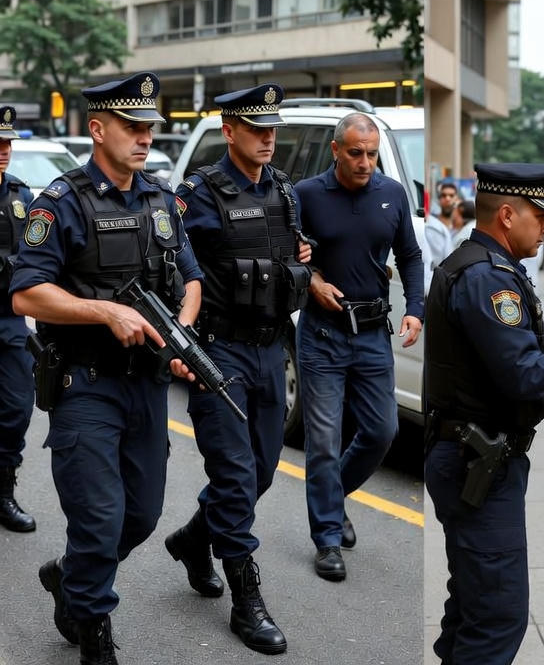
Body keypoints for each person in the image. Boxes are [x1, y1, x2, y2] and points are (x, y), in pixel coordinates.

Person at [14, 72, 203, 664]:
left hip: (146, 386)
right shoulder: (61, 203)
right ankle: (94, 631)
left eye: (150, 128)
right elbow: (26, 293)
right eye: (132, 126)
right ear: (97, 130)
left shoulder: (162, 200)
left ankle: (71, 576)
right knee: (99, 519)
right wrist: (104, 311)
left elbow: (191, 278)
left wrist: (180, 335)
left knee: (141, 516)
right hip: (85, 385)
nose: (145, 137)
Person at [423, 160, 544, 665]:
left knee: (473, 604)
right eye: (541, 215)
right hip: (477, 462)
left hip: (477, 457)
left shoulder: (484, 267)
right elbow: (523, 374)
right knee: (497, 616)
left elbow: (510, 349)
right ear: (508, 216)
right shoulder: (488, 279)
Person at [165, 83, 312, 655]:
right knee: (233, 474)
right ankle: (246, 599)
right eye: (256, 129)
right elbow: (171, 265)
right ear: (229, 132)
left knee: (262, 472)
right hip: (220, 351)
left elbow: (288, 253)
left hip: (271, 349)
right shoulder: (198, 193)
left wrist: (302, 255)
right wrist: (180, 337)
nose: (267, 139)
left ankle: (193, 539)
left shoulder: (283, 189)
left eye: (272, 129)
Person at [295, 112, 424, 581]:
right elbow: (287, 256)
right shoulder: (306, 195)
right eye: (355, 153)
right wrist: (311, 280)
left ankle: (333, 499)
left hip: (372, 334)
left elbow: (409, 255)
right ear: (336, 151)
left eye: (371, 154)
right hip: (322, 335)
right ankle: (327, 539)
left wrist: (416, 308)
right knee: (324, 442)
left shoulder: (392, 193)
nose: (365, 162)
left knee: (381, 431)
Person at [0, 106, 36, 534]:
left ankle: (3, 490)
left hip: (9, 319)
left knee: (16, 408)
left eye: (7, 142)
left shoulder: (21, 197)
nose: (4, 150)